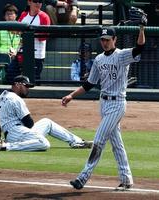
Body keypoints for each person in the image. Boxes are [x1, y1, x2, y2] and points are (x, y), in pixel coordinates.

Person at [61, 25, 145, 190]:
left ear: (114, 40)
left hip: (117, 104)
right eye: (102, 40)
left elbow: (140, 47)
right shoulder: (99, 59)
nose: (105, 43)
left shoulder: (121, 55)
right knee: (116, 144)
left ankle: (83, 177)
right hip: (104, 103)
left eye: (108, 40)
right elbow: (89, 84)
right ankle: (126, 179)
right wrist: (71, 95)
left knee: (99, 140)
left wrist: (141, 29)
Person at [0, 75, 93, 151]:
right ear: (17, 84)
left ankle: (77, 142)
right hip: (16, 133)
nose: (28, 89)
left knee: (47, 122)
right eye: (26, 86)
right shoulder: (16, 99)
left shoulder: (2, 96)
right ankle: (7, 146)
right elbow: (29, 123)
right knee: (43, 142)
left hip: (13, 132)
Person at [18, 0, 50, 80]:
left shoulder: (44, 16)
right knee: (20, 79)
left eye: (40, 1)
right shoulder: (23, 14)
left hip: (37, 55)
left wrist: (29, 33)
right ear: (29, 2)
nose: (38, 3)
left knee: (34, 80)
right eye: (35, 1)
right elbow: (17, 30)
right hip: (23, 53)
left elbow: (43, 37)